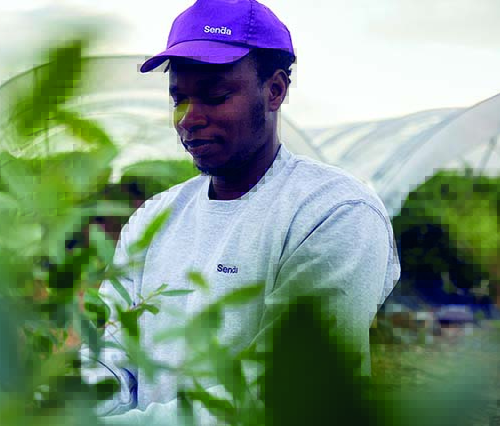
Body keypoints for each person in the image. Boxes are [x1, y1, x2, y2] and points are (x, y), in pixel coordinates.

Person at [81, 0, 401, 423]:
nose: (188, 119)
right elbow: (107, 358)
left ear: (275, 90)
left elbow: (281, 392)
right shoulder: (153, 220)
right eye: (178, 99)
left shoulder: (334, 213)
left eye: (215, 96)